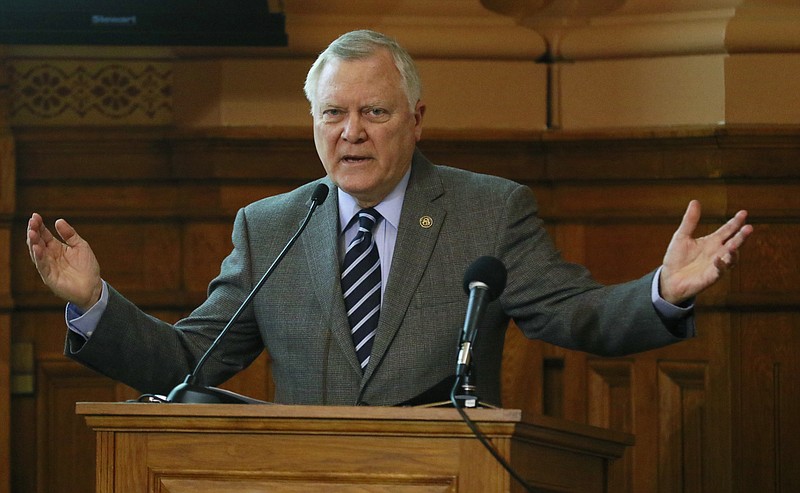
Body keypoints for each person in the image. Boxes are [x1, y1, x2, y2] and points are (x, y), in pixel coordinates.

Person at [26, 30, 752, 407]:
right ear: (312, 123)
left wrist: (661, 290)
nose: (352, 132)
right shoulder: (270, 226)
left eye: (374, 111)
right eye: (333, 113)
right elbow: (190, 363)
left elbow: (574, 315)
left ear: (415, 120)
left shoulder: (487, 211)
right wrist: (94, 303)